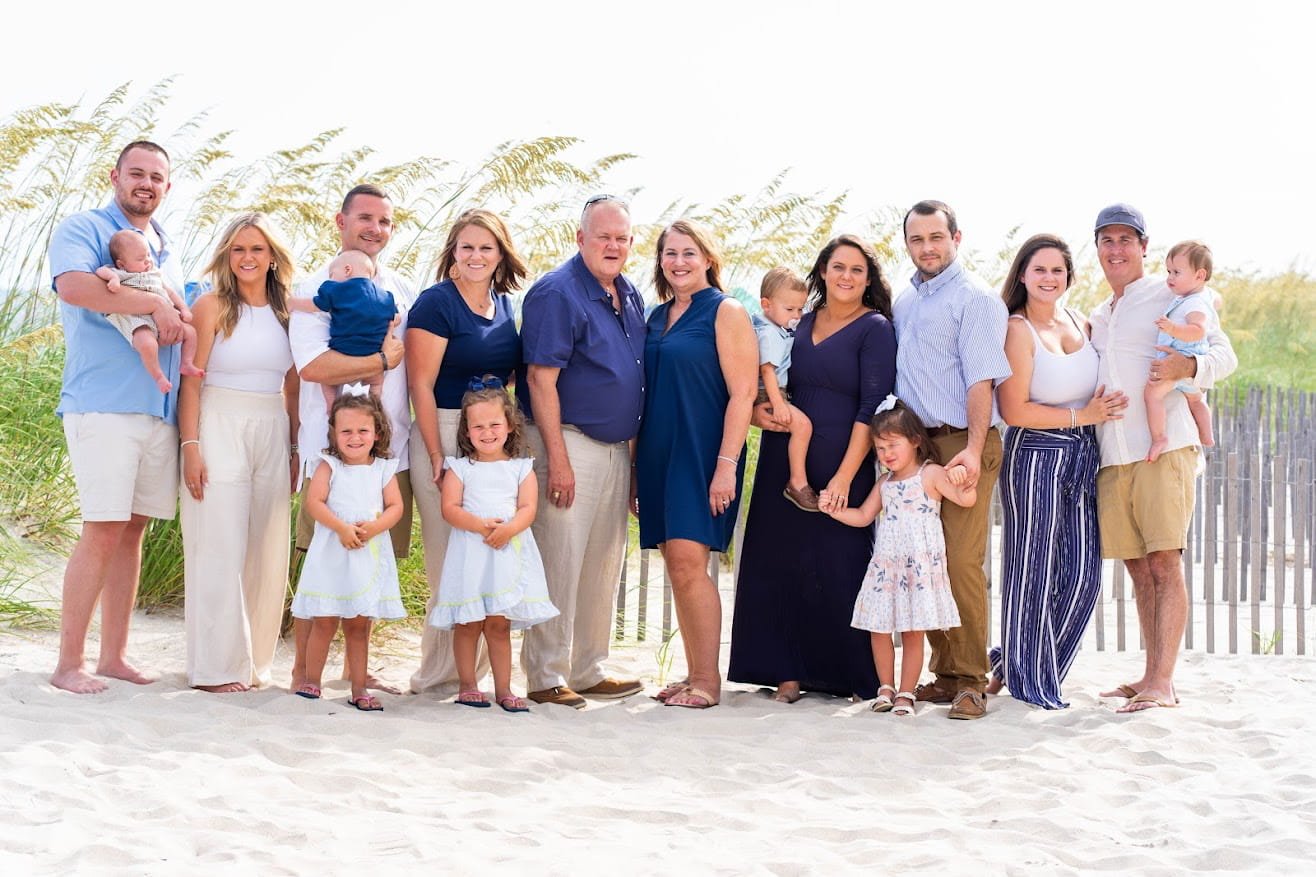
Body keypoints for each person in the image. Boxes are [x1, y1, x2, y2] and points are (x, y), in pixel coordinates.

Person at [728, 234, 897, 704]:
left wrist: (845, 477)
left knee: (841, 564)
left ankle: (848, 676)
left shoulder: (876, 328)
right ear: (822, 270)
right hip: (786, 460)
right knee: (781, 564)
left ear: (868, 279)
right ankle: (785, 673)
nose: (846, 276)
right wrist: (762, 415)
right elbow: (768, 382)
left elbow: (872, 407)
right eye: (838, 266)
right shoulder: (796, 320)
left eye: (857, 270)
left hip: (845, 458)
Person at [48, 141, 185, 694]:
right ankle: (67, 665)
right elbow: (75, 287)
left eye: (156, 177)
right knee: (102, 528)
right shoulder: (84, 227)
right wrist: (154, 307)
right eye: (137, 174)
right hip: (103, 405)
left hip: (158, 408)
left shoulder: (166, 247)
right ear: (115, 176)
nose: (146, 184)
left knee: (133, 531)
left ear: (167, 188)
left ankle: (114, 656)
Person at [1088, 204, 1236, 713]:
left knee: (1163, 562)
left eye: (1126, 239)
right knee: (1136, 566)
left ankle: (1164, 682)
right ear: (1098, 249)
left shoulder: (1172, 294)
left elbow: (1224, 356)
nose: (1116, 249)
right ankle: (1150, 673)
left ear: (1144, 247)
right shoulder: (1098, 315)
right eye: (1107, 240)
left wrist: (1186, 364)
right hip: (1114, 454)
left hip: (1164, 447)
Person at [517, 195, 647, 708]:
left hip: (615, 448)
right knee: (560, 560)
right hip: (567, 441)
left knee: (601, 564)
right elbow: (539, 379)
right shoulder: (557, 293)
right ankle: (546, 674)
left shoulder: (628, 292)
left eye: (622, 238)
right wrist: (559, 460)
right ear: (580, 238)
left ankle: (588, 667)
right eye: (603, 236)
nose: (612, 246)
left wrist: (633, 464)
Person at [987, 234, 1127, 709]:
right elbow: (1014, 410)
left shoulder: (1081, 322)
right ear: (1023, 275)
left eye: (1058, 271)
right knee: (1032, 571)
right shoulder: (1017, 329)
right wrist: (1081, 416)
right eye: (1040, 270)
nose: (1049, 278)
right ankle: (1032, 684)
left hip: (1083, 454)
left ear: (1069, 276)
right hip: (1037, 453)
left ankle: (1016, 664)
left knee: (1085, 575)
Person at [289, 184, 413, 696]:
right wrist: (382, 362)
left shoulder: (400, 287)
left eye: (384, 221)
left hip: (390, 451)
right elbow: (316, 365)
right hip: (330, 452)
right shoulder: (321, 285)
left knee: (372, 561)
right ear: (340, 220)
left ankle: (355, 670)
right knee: (316, 561)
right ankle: (303, 672)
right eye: (365, 218)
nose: (375, 229)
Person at [894, 199, 1010, 720]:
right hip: (918, 450)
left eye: (936, 237)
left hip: (966, 440)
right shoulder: (904, 304)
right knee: (929, 557)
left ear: (956, 239)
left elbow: (981, 379)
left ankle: (970, 680)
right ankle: (944, 675)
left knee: (962, 559)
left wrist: (971, 445)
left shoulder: (975, 300)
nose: (927, 248)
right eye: (917, 240)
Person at [635, 220, 758, 710]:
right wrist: (632, 469)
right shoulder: (654, 317)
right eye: (670, 253)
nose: (679, 262)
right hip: (657, 450)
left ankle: (708, 681)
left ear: (707, 258)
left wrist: (726, 464)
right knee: (677, 563)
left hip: (704, 450)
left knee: (690, 561)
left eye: (689, 253)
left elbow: (744, 393)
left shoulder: (725, 311)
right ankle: (692, 673)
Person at [406, 209, 527, 698]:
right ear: (452, 252)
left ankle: (478, 675)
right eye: (467, 247)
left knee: (489, 558)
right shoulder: (436, 304)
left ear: (500, 255)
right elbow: (420, 382)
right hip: (447, 428)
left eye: (486, 248)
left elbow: (509, 376)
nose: (476, 256)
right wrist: (437, 453)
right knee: (449, 560)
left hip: (491, 439)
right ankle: (440, 674)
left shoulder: (503, 306)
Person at [179, 213, 300, 692]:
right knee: (219, 545)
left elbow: (293, 386)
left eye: (256, 249)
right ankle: (214, 668)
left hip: (272, 425)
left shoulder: (289, 310)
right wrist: (191, 446)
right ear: (226, 257)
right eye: (237, 250)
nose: (247, 258)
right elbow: (192, 381)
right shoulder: (211, 306)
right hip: (218, 423)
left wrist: (293, 447)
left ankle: (253, 664)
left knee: (266, 548)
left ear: (272, 257)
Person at [827, 397, 976, 718]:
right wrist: (834, 511)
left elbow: (966, 500)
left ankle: (907, 691)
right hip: (886, 568)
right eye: (880, 449)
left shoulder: (931, 474)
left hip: (919, 569)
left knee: (912, 631)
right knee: (878, 628)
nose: (887, 454)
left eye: (893, 445)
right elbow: (864, 516)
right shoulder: (885, 483)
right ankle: (885, 687)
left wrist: (966, 478)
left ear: (916, 442)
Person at [428, 378, 558, 712]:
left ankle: (503, 688)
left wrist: (509, 529)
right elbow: (450, 509)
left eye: (495, 424)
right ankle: (468, 684)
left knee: (498, 624)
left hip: (506, 552)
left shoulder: (520, 468)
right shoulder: (460, 468)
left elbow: (528, 508)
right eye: (478, 426)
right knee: (468, 622)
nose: (487, 432)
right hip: (472, 553)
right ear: (467, 431)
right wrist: (479, 525)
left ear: (510, 425)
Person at [291, 395, 406, 711]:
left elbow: (396, 506)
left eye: (363, 431)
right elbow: (315, 502)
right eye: (346, 432)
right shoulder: (328, 465)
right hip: (333, 552)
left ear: (377, 433)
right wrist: (341, 528)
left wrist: (375, 527)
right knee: (324, 621)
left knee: (358, 625)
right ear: (333, 434)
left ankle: (358, 688)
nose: (355, 438)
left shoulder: (383, 468)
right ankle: (311, 681)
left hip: (366, 552)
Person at [95, 229, 203, 393]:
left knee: (191, 333)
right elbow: (100, 271)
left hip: (168, 319)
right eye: (140, 258)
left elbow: (171, 293)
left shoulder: (155, 274)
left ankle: (187, 363)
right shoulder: (122, 273)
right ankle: (158, 375)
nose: (147, 262)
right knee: (146, 343)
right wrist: (114, 279)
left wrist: (184, 309)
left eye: (148, 256)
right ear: (121, 264)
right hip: (141, 320)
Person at [287, 249, 395, 411]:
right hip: (373, 353)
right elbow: (395, 319)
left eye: (332, 273)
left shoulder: (336, 289)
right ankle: (374, 408)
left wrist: (293, 303)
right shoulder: (385, 296)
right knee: (376, 383)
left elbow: (316, 305)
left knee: (328, 383)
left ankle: (331, 407)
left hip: (343, 352)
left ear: (347, 270)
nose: (331, 277)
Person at [1145, 240, 1218, 462]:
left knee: (1152, 394)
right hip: (1188, 369)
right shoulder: (1192, 298)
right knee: (1196, 401)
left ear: (1199, 275)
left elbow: (1198, 330)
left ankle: (1159, 438)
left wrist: (1172, 328)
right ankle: (1206, 435)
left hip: (1179, 363)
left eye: (1176, 272)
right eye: (1168, 271)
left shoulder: (1195, 303)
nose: (1169, 278)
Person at [752, 267, 818, 511]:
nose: (796, 315)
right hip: (769, 392)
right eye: (789, 309)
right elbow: (767, 370)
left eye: (800, 309)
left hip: (771, 391)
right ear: (766, 305)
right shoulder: (769, 333)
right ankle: (797, 482)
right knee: (802, 426)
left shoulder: (775, 327)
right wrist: (778, 404)